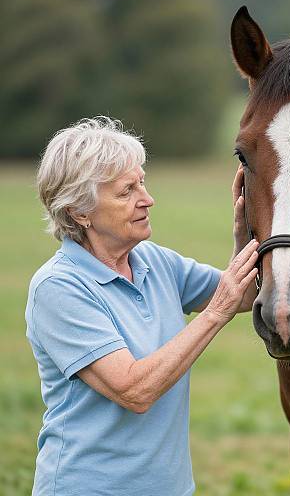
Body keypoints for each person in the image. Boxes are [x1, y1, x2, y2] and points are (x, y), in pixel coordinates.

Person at [25, 117, 258, 496]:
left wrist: (244, 235)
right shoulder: (58, 288)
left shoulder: (154, 260)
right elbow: (135, 390)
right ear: (79, 212)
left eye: (142, 182)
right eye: (126, 191)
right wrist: (214, 314)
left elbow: (242, 295)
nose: (147, 199)